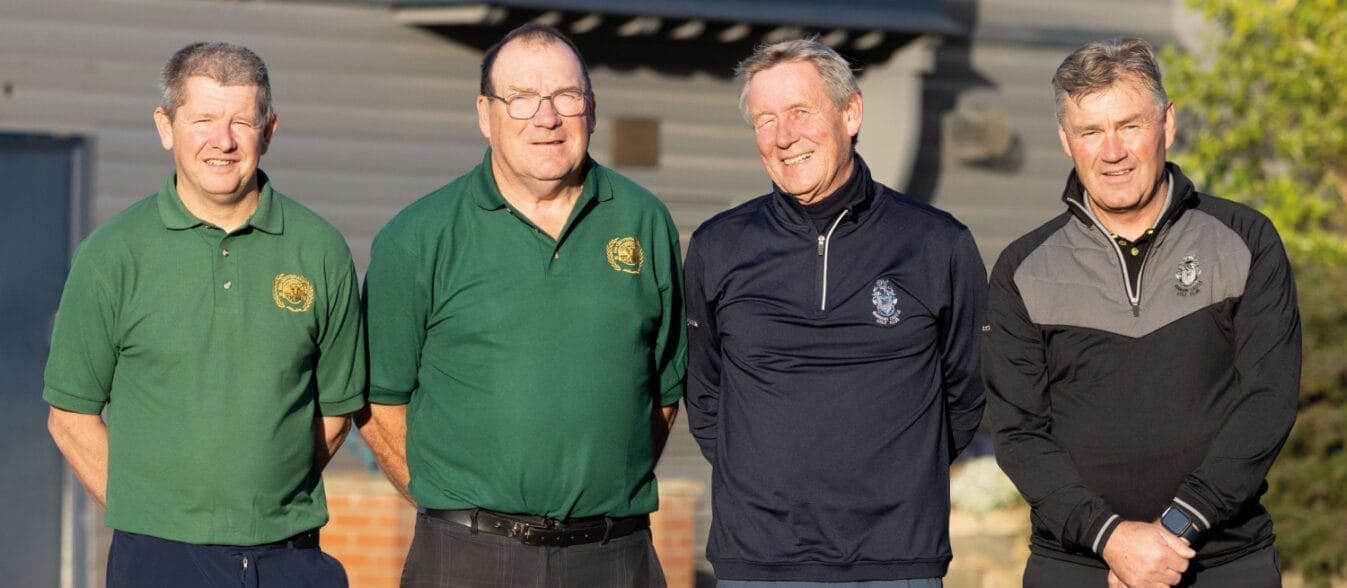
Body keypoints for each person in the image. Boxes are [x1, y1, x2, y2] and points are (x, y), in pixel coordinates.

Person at [359, 23, 686, 587]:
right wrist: (456, 503)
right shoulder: (418, 237)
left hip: (615, 556)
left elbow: (663, 390)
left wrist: (599, 487)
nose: (547, 117)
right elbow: (377, 400)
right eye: (522, 98)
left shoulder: (644, 221)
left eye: (565, 96)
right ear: (485, 114)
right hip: (467, 557)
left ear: (592, 108)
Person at [43, 42, 365, 587]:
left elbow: (334, 414)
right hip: (159, 562)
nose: (224, 140)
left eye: (243, 120)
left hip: (291, 559)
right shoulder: (112, 254)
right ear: (165, 127)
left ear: (269, 131)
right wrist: (154, 516)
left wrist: (261, 503)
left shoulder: (321, 250)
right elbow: (70, 419)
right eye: (204, 119)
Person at [983, 37, 1299, 587]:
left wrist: (1176, 529)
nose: (1112, 151)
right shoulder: (1021, 270)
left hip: (1225, 563)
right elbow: (1019, 434)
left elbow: (1267, 402)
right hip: (1076, 566)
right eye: (1090, 131)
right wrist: (1112, 539)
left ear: (1166, 123)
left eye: (1129, 125)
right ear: (1065, 140)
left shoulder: (1246, 240)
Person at [684, 38, 988, 585]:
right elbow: (705, 395)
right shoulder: (718, 247)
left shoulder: (936, 243)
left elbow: (965, 391)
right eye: (765, 120)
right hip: (758, 561)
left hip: (897, 560)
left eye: (800, 113)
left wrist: (901, 479)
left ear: (851, 113)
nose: (783, 137)